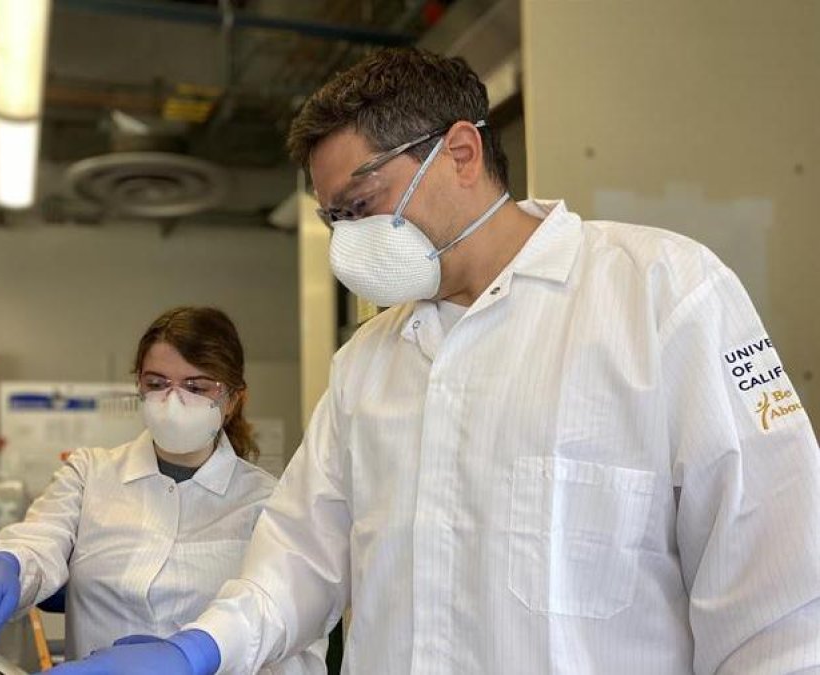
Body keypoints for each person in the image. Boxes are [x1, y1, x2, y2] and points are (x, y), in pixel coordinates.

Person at [50, 48, 820, 674]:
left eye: (361, 203)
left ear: (459, 151)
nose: (349, 240)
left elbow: (780, 605)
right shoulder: (369, 364)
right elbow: (298, 560)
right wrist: (202, 646)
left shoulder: (663, 295)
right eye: (332, 219)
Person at [0, 306, 326, 674]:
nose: (173, 400)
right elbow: (39, 542)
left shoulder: (267, 502)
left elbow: (288, 637)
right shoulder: (90, 472)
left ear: (232, 401)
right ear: (139, 388)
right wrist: (6, 563)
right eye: (156, 384)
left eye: (196, 386)